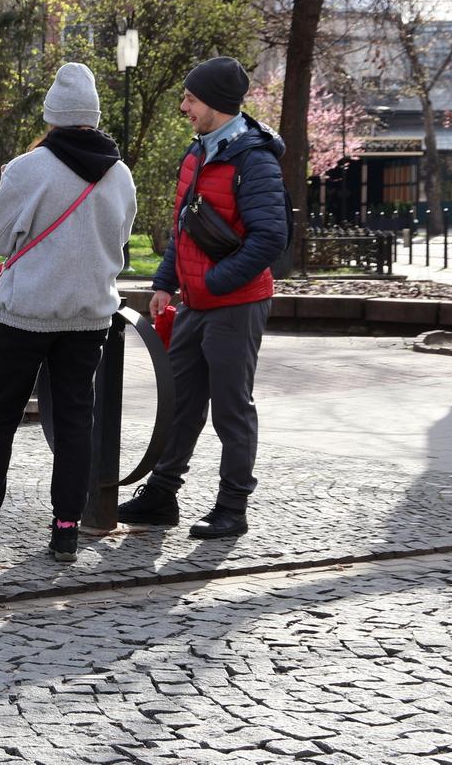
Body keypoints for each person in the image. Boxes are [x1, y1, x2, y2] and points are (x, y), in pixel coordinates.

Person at [0, 62, 137, 563]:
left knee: (1, 416)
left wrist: (3, 189)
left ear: (52, 114)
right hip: (88, 315)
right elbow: (119, 238)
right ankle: (64, 530)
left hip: (28, 313)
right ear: (94, 115)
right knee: (77, 419)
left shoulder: (29, 166)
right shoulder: (119, 174)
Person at [117, 56, 289, 540]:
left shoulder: (253, 159)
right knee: (181, 403)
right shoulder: (197, 154)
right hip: (193, 302)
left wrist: (214, 283)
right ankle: (161, 498)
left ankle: (232, 508)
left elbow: (270, 238)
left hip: (236, 305)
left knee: (231, 409)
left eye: (190, 98)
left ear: (214, 101)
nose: (183, 106)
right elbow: (183, 228)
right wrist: (165, 283)